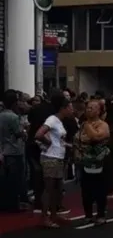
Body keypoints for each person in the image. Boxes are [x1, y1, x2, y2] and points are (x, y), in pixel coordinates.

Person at [34, 94, 74, 228]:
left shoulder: (59, 121)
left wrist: (69, 146)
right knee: (49, 189)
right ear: (63, 108)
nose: (72, 110)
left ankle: (53, 215)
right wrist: (48, 142)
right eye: (70, 107)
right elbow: (39, 134)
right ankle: (45, 217)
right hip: (50, 157)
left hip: (58, 157)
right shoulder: (52, 119)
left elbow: (60, 141)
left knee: (57, 188)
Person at [74, 100, 111, 225]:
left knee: (100, 188)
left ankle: (101, 214)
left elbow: (95, 137)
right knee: (86, 189)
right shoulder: (83, 125)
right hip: (85, 161)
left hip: (100, 160)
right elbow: (78, 140)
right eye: (87, 108)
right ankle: (88, 214)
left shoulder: (103, 125)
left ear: (99, 111)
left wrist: (87, 126)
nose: (88, 110)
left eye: (92, 108)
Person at [0, 90, 28, 212]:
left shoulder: (1, 115)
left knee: (5, 180)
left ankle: (5, 203)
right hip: (15, 151)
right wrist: (25, 132)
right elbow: (18, 133)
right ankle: (14, 205)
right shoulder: (13, 117)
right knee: (16, 179)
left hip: (4, 149)